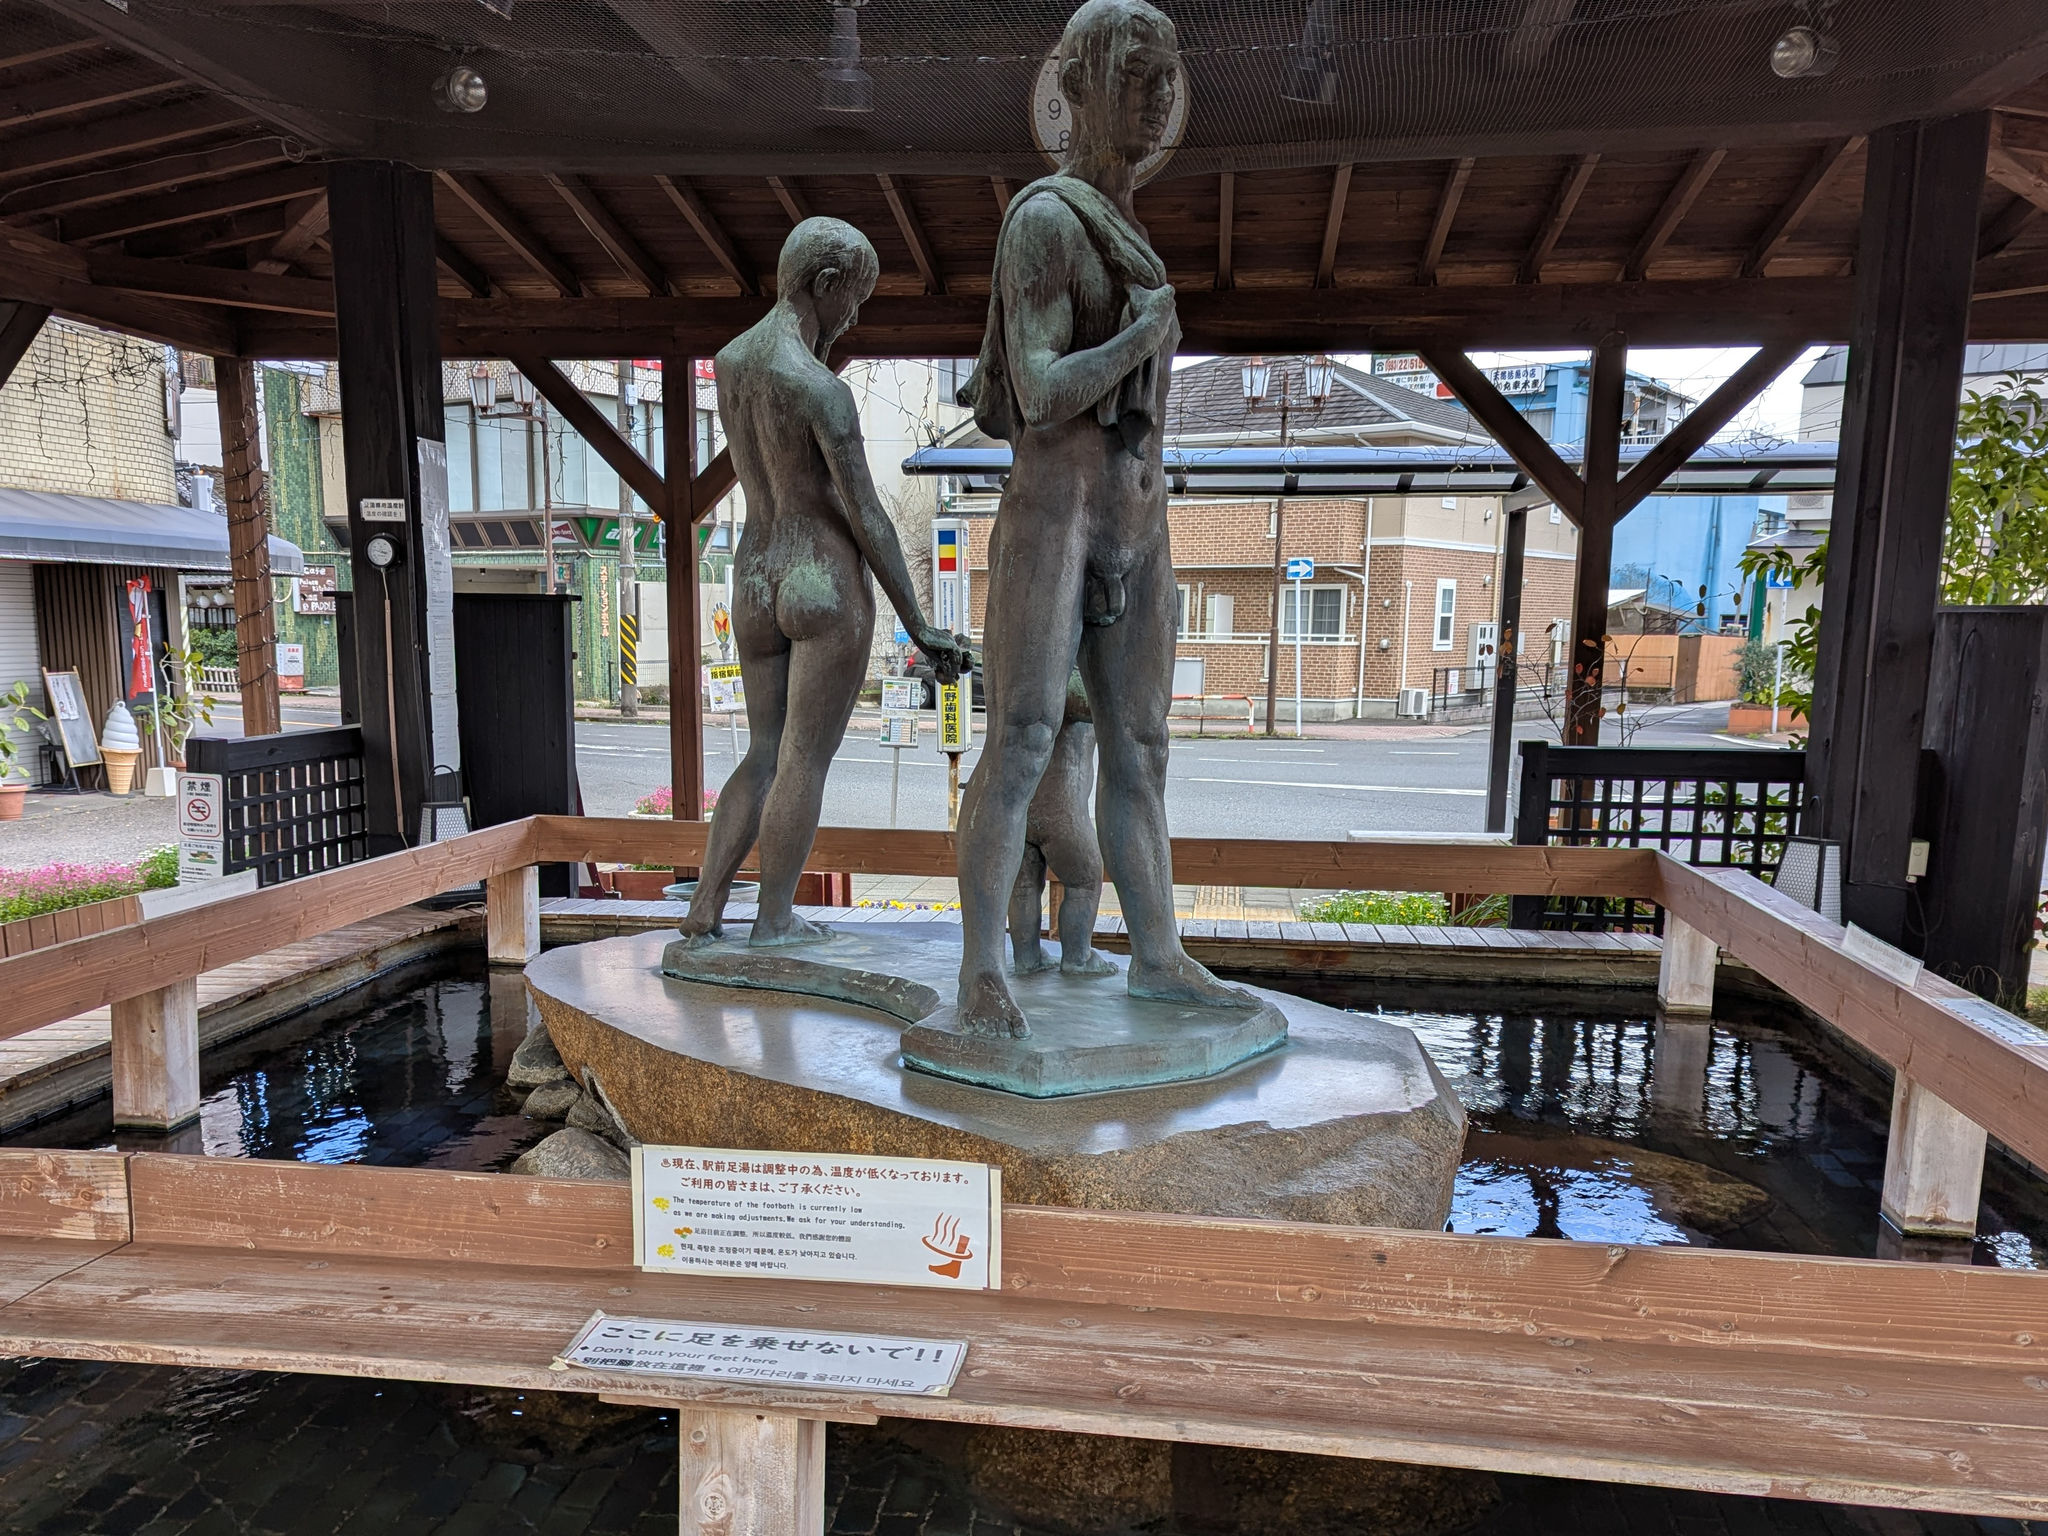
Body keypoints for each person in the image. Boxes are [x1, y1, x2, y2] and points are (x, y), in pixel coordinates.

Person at [952, 0, 1250, 1036]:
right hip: (1052, 517)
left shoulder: (1132, 230)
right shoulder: (1043, 218)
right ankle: (980, 970)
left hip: (1135, 516)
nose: (1154, 94)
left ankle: (1157, 953)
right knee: (1024, 737)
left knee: (1143, 743)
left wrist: (1143, 335)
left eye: (1164, 75)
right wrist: (1142, 338)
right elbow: (1036, 391)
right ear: (1076, 86)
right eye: (1132, 73)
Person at [679, 216, 967, 947]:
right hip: (821, 578)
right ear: (826, 283)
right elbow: (866, 513)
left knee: (761, 750)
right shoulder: (819, 389)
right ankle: (773, 919)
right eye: (855, 299)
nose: (855, 317)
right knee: (803, 757)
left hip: (753, 574)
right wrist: (920, 625)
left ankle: (705, 907)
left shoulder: (732, 362)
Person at [1007, 672, 1116, 978]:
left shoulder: (1025, 677)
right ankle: (1077, 957)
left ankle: (1027, 957)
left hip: (1022, 804)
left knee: (1024, 886)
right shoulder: (1071, 679)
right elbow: (1105, 706)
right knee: (1085, 879)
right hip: (1062, 809)